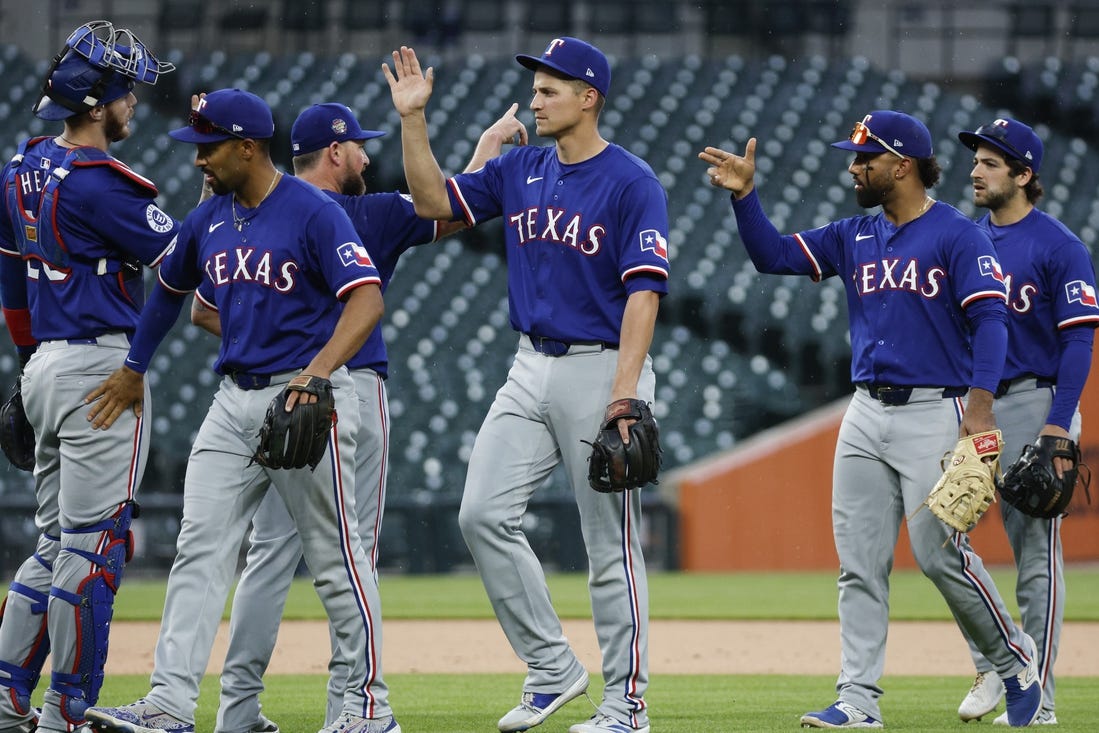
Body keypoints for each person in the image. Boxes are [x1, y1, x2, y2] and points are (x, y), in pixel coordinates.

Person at [698, 110, 1044, 728]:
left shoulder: (958, 235)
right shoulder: (854, 233)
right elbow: (773, 256)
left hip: (935, 410)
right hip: (864, 411)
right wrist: (746, 198)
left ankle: (1014, 660)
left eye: (866, 159)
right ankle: (858, 698)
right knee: (858, 564)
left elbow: (992, 321)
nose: (855, 168)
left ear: (902, 165)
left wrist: (981, 410)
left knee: (940, 554)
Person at [203, 101, 527, 733]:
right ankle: (353, 709)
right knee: (353, 555)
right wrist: (486, 147)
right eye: (358, 148)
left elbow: (204, 308)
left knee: (267, 557)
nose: (366, 158)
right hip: (347, 391)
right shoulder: (368, 212)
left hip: (271, 392)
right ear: (335, 153)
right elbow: (448, 206)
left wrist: (276, 341)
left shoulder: (258, 212)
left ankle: (238, 708)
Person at [80, 88, 396, 733]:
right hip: (233, 402)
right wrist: (135, 367)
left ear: (247, 146)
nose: (198, 160)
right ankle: (169, 704)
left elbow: (366, 301)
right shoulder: (211, 219)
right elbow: (168, 293)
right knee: (199, 549)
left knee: (336, 557)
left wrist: (317, 374)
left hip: (303, 399)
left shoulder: (313, 210)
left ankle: (368, 709)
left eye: (209, 147)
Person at [384, 38, 669, 733]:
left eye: (549, 89)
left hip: (601, 366)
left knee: (610, 545)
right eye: (535, 89)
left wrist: (624, 395)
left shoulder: (632, 182)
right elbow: (429, 201)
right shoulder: (519, 169)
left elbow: (643, 295)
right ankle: (552, 667)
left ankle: (625, 706)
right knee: (480, 513)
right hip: (528, 363)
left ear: (588, 97)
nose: (535, 99)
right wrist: (412, 119)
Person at [0, 21, 176, 733]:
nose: (132, 102)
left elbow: (11, 285)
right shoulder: (107, 188)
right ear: (98, 102)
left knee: (52, 543)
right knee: (93, 547)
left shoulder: (19, 168)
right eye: (126, 91)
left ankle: (9, 699)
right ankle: (66, 711)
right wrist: (137, 364)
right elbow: (178, 267)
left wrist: (24, 374)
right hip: (102, 365)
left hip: (43, 361)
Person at [952, 118, 1099, 726]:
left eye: (991, 161)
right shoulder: (963, 239)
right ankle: (1001, 661)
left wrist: (1058, 425)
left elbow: (1079, 340)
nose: (976, 170)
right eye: (978, 159)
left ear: (1024, 174)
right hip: (975, 407)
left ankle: (1039, 698)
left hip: (1037, 403)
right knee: (943, 541)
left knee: (1036, 554)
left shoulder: (1059, 245)